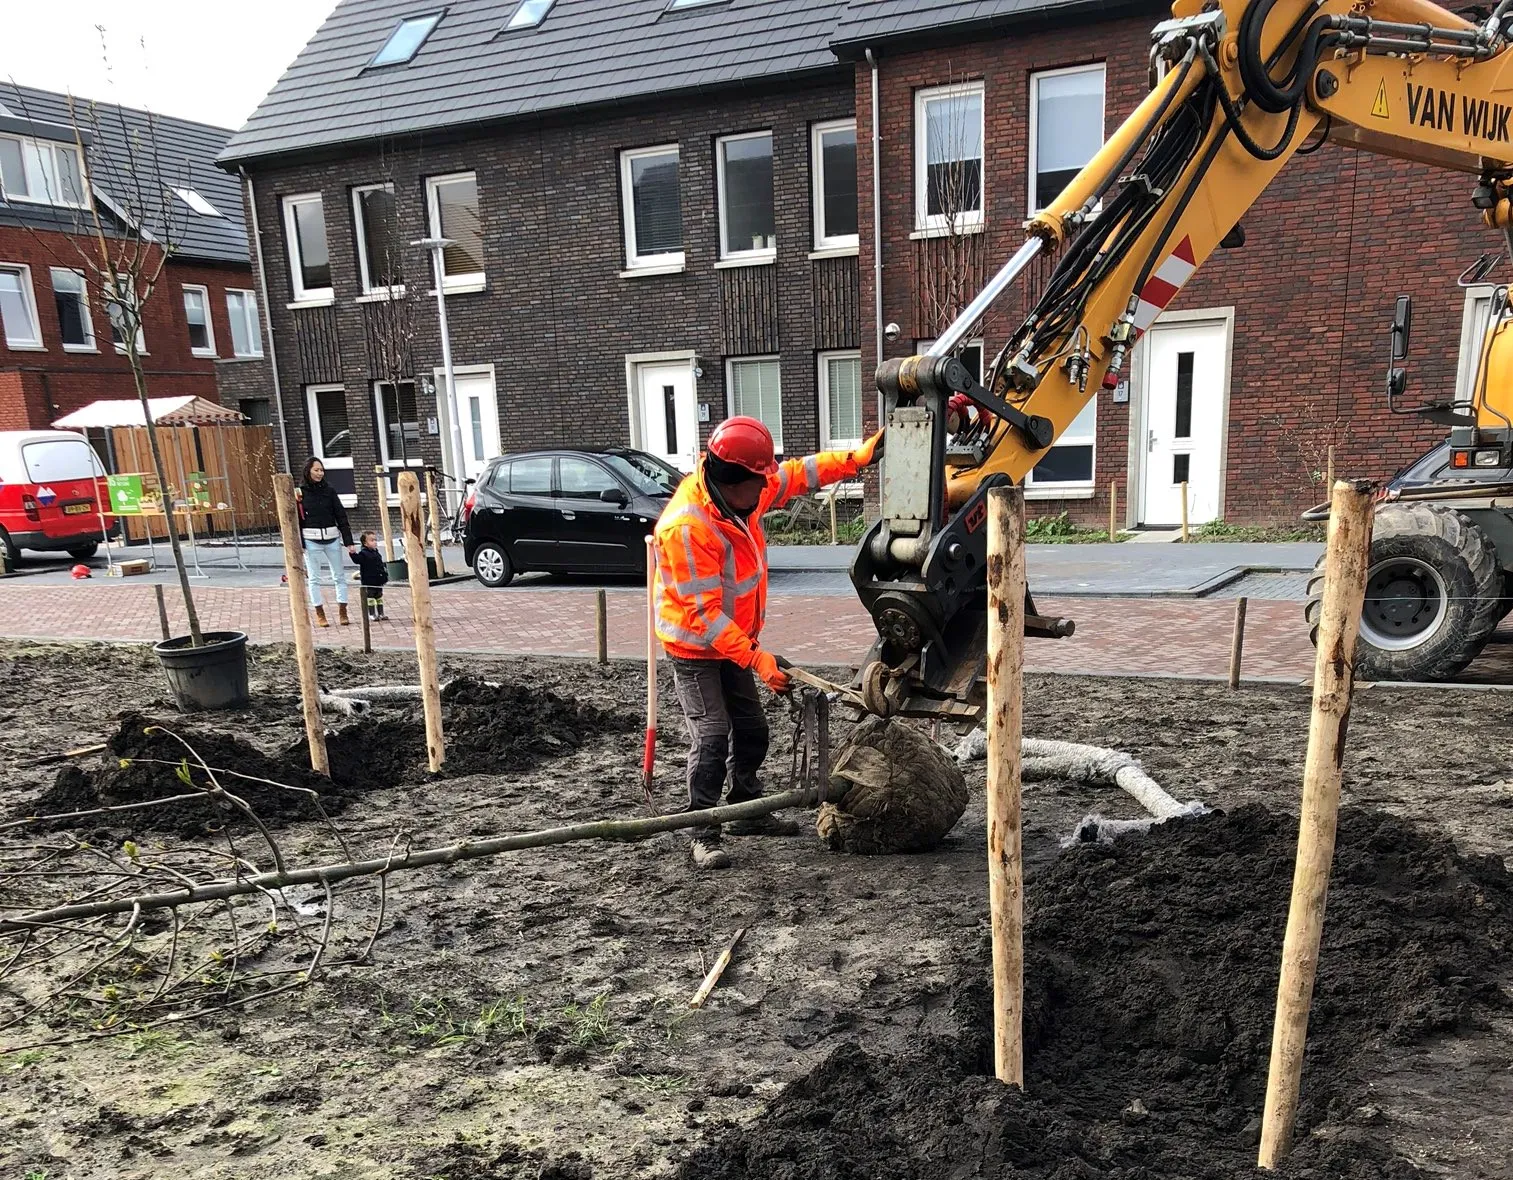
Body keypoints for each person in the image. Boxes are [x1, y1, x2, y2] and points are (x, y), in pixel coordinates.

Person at [653, 415, 884, 869]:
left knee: (754, 729)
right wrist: (758, 660)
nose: (767, 490)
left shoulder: (742, 495)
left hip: (737, 642)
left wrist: (859, 458)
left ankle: (746, 810)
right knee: (713, 735)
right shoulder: (687, 528)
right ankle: (704, 830)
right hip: (695, 650)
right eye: (758, 483)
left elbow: (801, 474)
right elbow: (703, 616)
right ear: (731, 478)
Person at [296, 457, 355, 627]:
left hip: (332, 538)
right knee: (314, 578)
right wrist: (300, 544)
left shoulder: (329, 490)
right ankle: (319, 613)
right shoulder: (300, 493)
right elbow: (296, 520)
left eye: (321, 470)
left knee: (339, 576)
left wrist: (348, 540)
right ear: (308, 471)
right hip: (311, 539)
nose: (320, 473)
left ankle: (342, 611)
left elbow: (341, 515)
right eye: (316, 470)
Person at [353, 530, 389, 621]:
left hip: (378, 580)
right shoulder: (364, 553)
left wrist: (384, 576)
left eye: (375, 540)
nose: (375, 542)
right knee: (370, 597)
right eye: (372, 540)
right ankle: (372, 614)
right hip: (369, 580)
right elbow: (357, 560)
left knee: (379, 596)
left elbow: (380, 565)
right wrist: (352, 553)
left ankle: (381, 613)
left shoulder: (376, 553)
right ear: (365, 543)